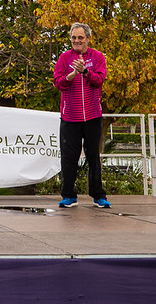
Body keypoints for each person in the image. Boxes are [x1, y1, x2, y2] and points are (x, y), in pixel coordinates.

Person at [54, 22, 110, 208]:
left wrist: (85, 71)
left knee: (93, 156)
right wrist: (71, 75)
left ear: (88, 39)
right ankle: (69, 196)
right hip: (70, 117)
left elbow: (99, 80)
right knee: (69, 157)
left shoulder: (98, 57)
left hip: (93, 116)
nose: (77, 41)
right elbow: (58, 83)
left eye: (80, 38)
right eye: (73, 38)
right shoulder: (63, 58)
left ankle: (98, 196)